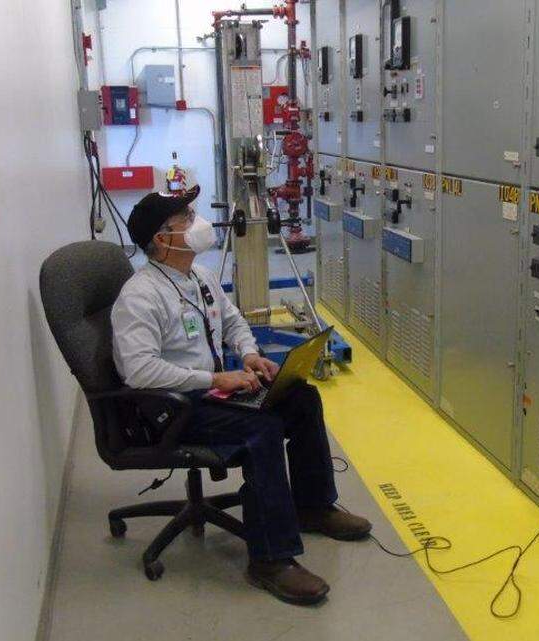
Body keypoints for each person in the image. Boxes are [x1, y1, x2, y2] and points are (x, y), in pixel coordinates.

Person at [110, 187, 371, 605]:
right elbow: (139, 371)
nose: (197, 222)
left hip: (207, 390)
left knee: (301, 398)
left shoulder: (200, 276)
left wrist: (250, 356)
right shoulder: (140, 297)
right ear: (162, 239)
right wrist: (214, 377)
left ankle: (313, 505)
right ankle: (270, 560)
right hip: (170, 406)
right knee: (261, 430)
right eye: (185, 218)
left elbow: (231, 322)